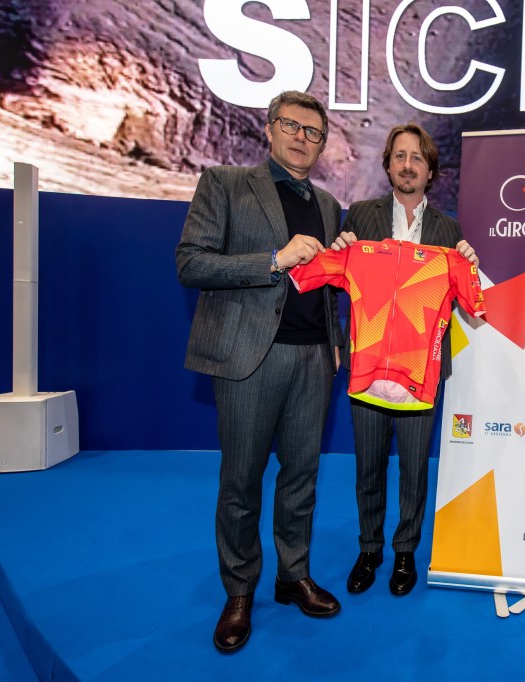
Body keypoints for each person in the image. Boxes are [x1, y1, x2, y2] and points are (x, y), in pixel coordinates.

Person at [176, 91, 344, 653]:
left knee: (302, 477)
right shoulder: (224, 183)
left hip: (313, 359)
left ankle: (293, 575)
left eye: (313, 132)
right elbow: (191, 263)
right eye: (291, 126)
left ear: (322, 144)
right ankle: (240, 590)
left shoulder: (329, 205)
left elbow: (328, 285)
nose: (301, 138)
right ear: (269, 128)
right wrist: (274, 259)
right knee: (241, 481)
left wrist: (336, 334)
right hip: (250, 356)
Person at [331, 123, 478, 597]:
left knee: (414, 468)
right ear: (388, 164)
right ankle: (369, 548)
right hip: (368, 367)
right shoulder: (361, 215)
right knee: (368, 466)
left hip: (421, 372)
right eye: (400, 156)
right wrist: (340, 251)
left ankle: (404, 551)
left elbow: (459, 303)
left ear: (430, 170)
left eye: (417, 157)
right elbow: (338, 283)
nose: (408, 165)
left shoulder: (448, 230)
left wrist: (470, 266)